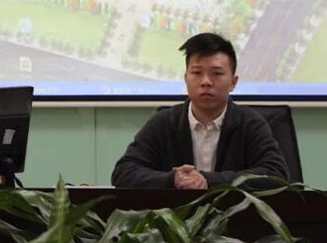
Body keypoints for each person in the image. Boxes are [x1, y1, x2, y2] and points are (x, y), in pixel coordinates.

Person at [111, 33, 288, 189]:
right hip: (176, 215)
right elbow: (123, 172)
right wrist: (174, 179)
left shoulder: (250, 123)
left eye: (216, 73)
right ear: (185, 78)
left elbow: (276, 174)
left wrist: (208, 181)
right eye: (196, 73)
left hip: (234, 215)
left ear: (233, 82)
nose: (206, 82)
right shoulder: (163, 122)